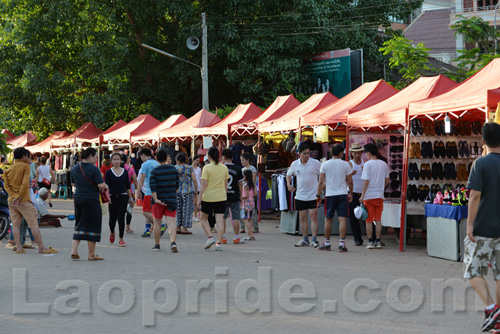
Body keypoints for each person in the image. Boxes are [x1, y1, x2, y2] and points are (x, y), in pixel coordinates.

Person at [464, 122, 500, 332]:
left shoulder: (481, 164)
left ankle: (492, 308)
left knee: (472, 271)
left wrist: (469, 224)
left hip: (483, 230)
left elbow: (475, 195)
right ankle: (497, 320)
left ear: (483, 141)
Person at [4, 147, 57, 254]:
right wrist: (18, 196)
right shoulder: (26, 167)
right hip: (23, 200)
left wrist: (14, 196)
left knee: (16, 225)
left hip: (11, 200)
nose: (30, 159)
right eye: (29, 157)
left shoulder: (9, 169)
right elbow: (24, 184)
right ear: (24, 157)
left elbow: (6, 186)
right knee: (33, 224)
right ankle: (41, 247)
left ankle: (19, 247)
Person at [70, 147, 108, 260]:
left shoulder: (75, 168)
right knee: (93, 225)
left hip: (78, 199)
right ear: (90, 156)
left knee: (80, 223)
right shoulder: (94, 169)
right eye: (96, 157)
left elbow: (73, 184)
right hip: (91, 199)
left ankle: (74, 250)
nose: (96, 159)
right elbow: (101, 185)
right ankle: (91, 254)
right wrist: (106, 186)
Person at [316, 144, 353, 252]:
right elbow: (350, 181)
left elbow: (321, 182)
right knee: (343, 219)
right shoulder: (346, 165)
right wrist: (350, 193)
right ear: (341, 153)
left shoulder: (325, 164)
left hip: (330, 194)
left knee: (328, 219)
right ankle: (342, 244)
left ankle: (327, 243)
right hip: (342, 194)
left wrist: (318, 195)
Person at [287, 142, 321, 248]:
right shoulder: (295, 164)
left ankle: (314, 240)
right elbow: (289, 174)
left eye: (308, 153)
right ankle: (305, 239)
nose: (307, 155)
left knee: (313, 217)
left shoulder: (316, 163)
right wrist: (288, 184)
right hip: (300, 195)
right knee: (302, 218)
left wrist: (322, 187)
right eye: (304, 153)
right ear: (299, 154)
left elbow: (323, 174)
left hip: (313, 195)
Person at [198, 147, 229, 251]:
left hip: (208, 197)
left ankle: (210, 237)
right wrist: (223, 193)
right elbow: (226, 184)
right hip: (221, 197)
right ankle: (219, 244)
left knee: (203, 218)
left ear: (209, 156)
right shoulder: (224, 168)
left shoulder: (206, 168)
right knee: (220, 221)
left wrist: (199, 198)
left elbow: (203, 184)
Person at [359, 143, 389, 250]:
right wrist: (381, 187)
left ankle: (371, 241)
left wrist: (362, 195)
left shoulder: (367, 165)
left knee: (369, 220)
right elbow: (387, 180)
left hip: (369, 196)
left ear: (368, 153)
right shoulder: (383, 164)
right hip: (379, 196)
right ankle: (378, 241)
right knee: (378, 219)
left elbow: (366, 181)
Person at [150, 148, 179, 252]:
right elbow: (177, 185)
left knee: (157, 223)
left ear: (156, 158)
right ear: (166, 158)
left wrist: (156, 199)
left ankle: (157, 245)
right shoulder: (173, 169)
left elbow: (152, 187)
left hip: (158, 201)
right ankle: (173, 243)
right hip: (171, 199)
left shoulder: (154, 171)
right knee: (171, 222)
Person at [105, 153, 133, 247]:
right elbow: (106, 186)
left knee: (121, 217)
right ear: (111, 161)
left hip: (123, 196)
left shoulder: (125, 171)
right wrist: (107, 197)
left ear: (120, 161)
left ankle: (121, 238)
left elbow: (128, 186)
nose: (116, 161)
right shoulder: (108, 172)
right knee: (112, 219)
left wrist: (130, 198)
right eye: (114, 159)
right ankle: (112, 232)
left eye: (118, 159)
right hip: (112, 197)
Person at [221, 148, 244, 244]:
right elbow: (240, 184)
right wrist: (241, 196)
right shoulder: (238, 168)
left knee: (223, 217)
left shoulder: (221, 168)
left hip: (222, 196)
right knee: (235, 217)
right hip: (235, 195)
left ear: (224, 157)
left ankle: (223, 237)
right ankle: (236, 237)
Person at [136, 148, 160, 237]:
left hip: (148, 191)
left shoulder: (145, 164)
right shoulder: (157, 163)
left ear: (143, 155)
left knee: (145, 212)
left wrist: (137, 192)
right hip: (157, 192)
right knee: (151, 212)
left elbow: (141, 180)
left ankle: (160, 225)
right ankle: (147, 230)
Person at [348, 143, 365, 246]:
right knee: (353, 218)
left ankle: (372, 237)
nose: (357, 155)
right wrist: (350, 173)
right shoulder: (349, 164)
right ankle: (357, 239)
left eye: (359, 153)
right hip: (352, 193)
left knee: (366, 216)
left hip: (363, 193)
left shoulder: (365, 163)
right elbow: (344, 177)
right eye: (355, 153)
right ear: (352, 153)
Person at [175, 153, 197, 235]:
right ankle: (184, 228)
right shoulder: (189, 168)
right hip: (188, 191)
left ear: (178, 160)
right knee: (187, 209)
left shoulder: (175, 168)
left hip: (177, 191)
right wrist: (196, 190)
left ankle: (178, 227)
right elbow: (194, 179)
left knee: (178, 209)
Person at [241, 152, 258, 233]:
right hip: (245, 192)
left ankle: (254, 227)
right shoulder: (242, 170)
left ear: (247, 160)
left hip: (249, 192)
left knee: (251, 212)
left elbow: (253, 181)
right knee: (245, 212)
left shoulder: (252, 169)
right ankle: (243, 227)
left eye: (243, 160)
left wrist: (253, 189)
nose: (242, 162)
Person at [124, 154, 138, 233]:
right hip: (129, 190)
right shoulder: (130, 169)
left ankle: (121, 227)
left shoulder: (115, 169)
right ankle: (128, 227)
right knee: (129, 210)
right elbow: (135, 180)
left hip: (119, 191)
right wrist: (138, 190)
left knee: (121, 211)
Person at [241, 169, 256, 241]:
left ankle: (251, 234)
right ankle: (249, 234)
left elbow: (246, 196)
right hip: (251, 202)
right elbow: (255, 193)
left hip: (246, 203)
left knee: (245, 218)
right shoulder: (252, 185)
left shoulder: (246, 186)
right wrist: (251, 196)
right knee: (250, 219)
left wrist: (240, 197)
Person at [191, 155, 202, 222]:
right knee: (192, 202)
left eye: (198, 161)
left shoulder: (199, 169)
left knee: (196, 202)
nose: (197, 162)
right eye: (196, 160)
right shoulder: (189, 168)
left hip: (198, 187)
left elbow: (200, 178)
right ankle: (192, 215)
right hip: (191, 186)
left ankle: (195, 215)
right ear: (193, 160)